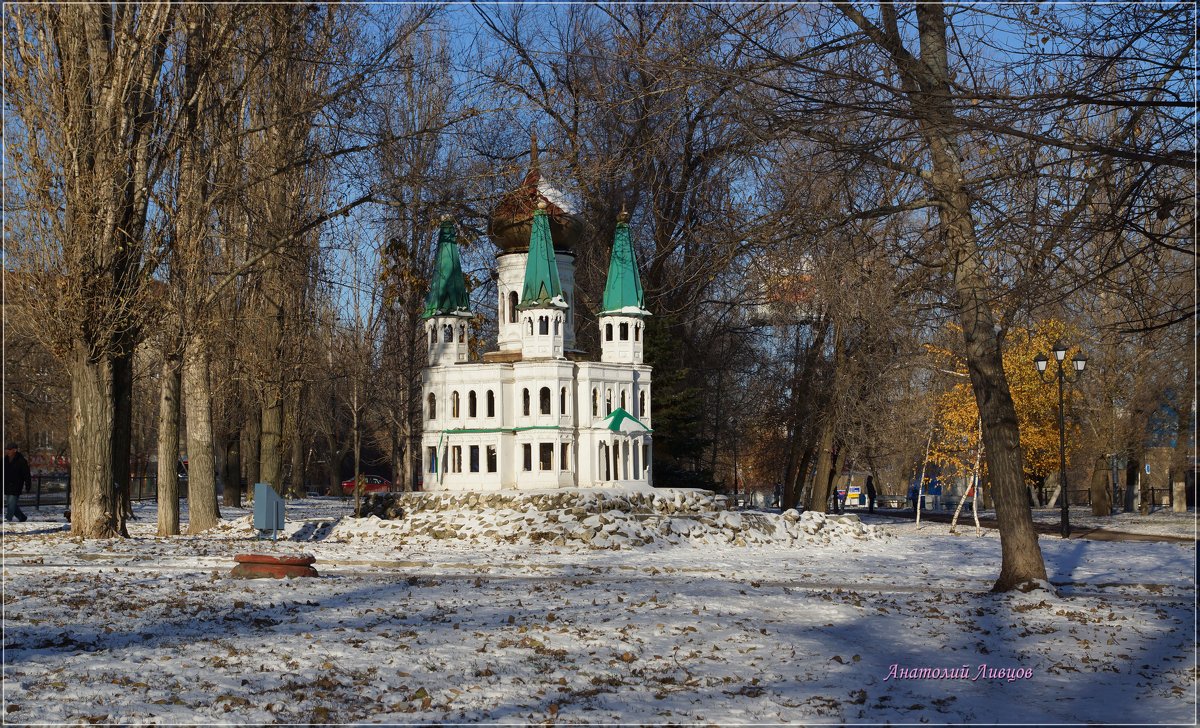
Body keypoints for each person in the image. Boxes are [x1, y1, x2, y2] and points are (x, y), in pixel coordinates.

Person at [5, 442, 31, 523]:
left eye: (9, 449)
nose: (7, 451)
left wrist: (28, 485)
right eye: (7, 449)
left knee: (11, 503)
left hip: (16, 485)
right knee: (11, 504)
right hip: (6, 485)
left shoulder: (21, 460)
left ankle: (8, 518)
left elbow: (26, 474)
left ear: (14, 450)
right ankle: (22, 517)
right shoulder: (5, 459)